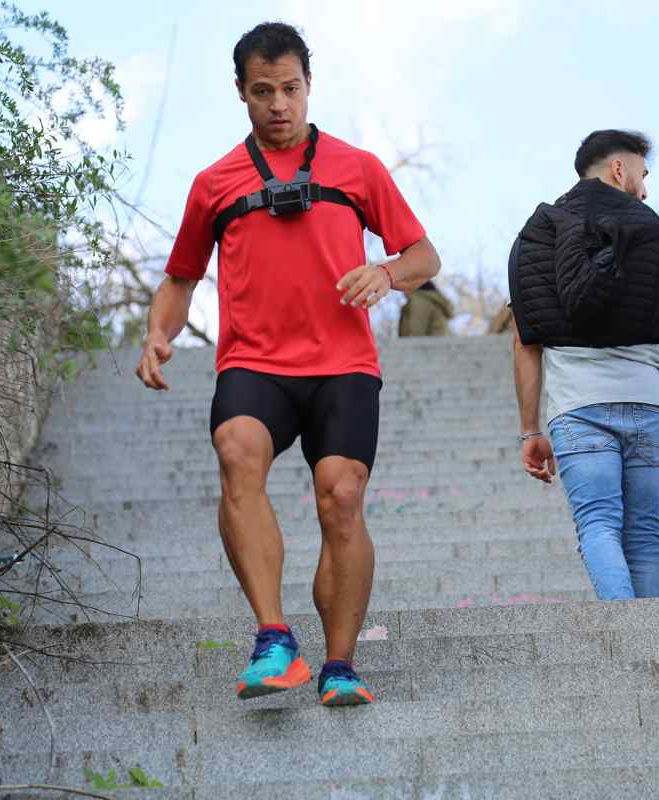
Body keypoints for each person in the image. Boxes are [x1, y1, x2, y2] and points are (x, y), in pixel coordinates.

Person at [136, 22, 440, 705]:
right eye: (264, 91)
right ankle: (274, 639)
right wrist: (159, 333)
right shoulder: (214, 181)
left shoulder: (357, 167)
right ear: (241, 93)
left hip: (343, 364)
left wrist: (386, 273)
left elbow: (425, 256)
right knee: (236, 448)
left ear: (309, 86)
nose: (280, 104)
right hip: (255, 362)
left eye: (292, 89)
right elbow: (181, 278)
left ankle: (339, 664)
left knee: (342, 497)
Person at [509, 130, 659, 601]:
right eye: (643, 175)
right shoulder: (657, 237)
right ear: (620, 170)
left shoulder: (537, 236)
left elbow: (525, 341)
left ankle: (627, 652)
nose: (644, 190)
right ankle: (654, 651)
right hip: (645, 403)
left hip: (576, 409)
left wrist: (528, 429)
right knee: (644, 537)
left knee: (599, 527)